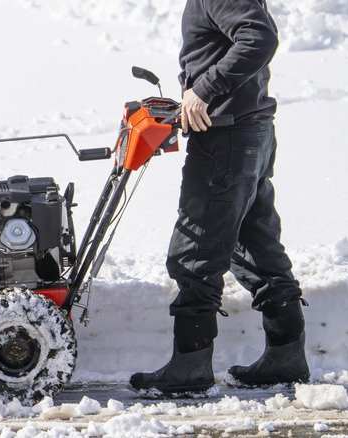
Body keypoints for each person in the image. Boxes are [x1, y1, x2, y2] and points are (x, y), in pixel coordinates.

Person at [129, 0, 309, 393]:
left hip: (227, 137)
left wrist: (205, 90)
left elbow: (259, 38)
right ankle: (286, 355)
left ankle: (190, 367)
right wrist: (193, 93)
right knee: (257, 245)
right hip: (250, 129)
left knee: (195, 252)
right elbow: (230, 45)